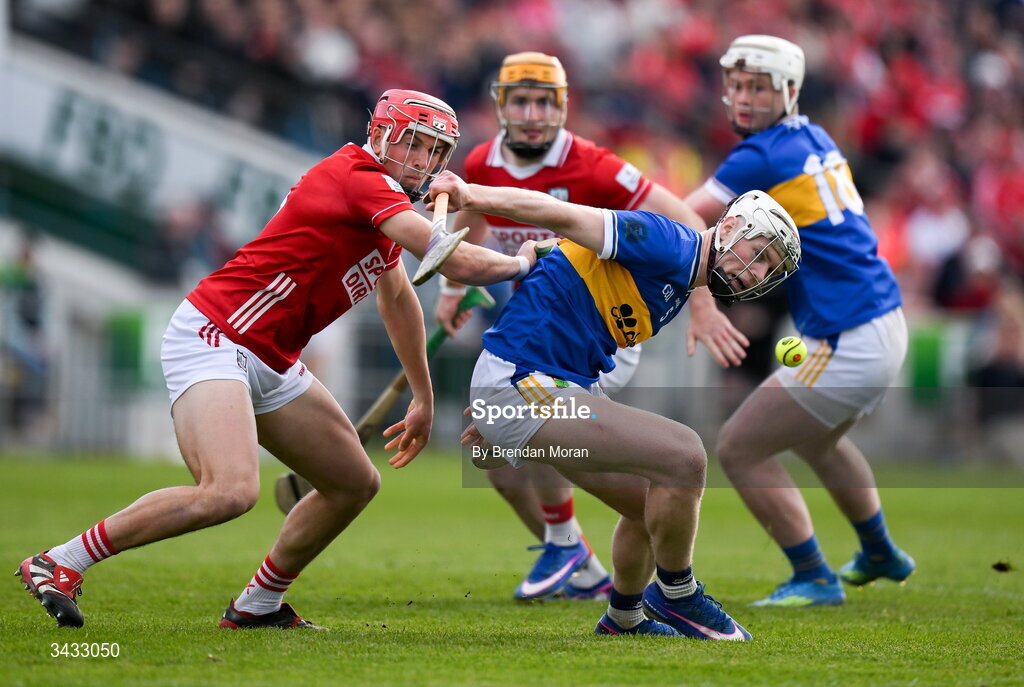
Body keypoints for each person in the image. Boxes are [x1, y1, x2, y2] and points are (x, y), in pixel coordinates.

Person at [16, 89, 536, 629]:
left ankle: (257, 604)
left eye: (435, 151)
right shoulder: (359, 178)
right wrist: (522, 263)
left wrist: (424, 397)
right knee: (229, 491)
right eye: (415, 144)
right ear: (381, 135)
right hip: (216, 335)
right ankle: (61, 561)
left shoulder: (386, 206)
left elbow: (399, 298)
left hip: (272, 357)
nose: (424, 162)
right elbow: (454, 262)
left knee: (353, 483)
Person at [432, 169, 801, 638]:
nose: (757, 272)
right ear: (728, 227)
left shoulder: (684, 280)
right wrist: (471, 193)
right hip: (524, 383)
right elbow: (559, 214)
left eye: (768, 268)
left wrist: (498, 412)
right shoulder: (669, 243)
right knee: (685, 454)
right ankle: (677, 593)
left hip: (534, 387)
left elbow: (557, 263)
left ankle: (624, 617)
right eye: (759, 254)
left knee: (656, 509)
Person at [434, 51, 731, 602]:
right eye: (520, 100)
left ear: (563, 107)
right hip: (535, 330)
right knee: (489, 457)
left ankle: (566, 544)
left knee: (519, 425)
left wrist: (704, 301)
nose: (532, 113)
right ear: (501, 105)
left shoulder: (594, 166)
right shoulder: (480, 162)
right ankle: (583, 564)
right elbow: (469, 222)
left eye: (544, 102)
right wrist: (453, 289)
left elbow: (690, 222)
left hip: (596, 337)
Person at [683, 35, 915, 607]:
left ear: (788, 90)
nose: (742, 96)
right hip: (881, 322)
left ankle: (813, 575)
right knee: (818, 443)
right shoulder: (813, 135)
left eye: (757, 86)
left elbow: (681, 217)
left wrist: (701, 299)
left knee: (738, 446)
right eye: (736, 83)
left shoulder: (759, 154)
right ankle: (881, 550)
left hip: (849, 333)